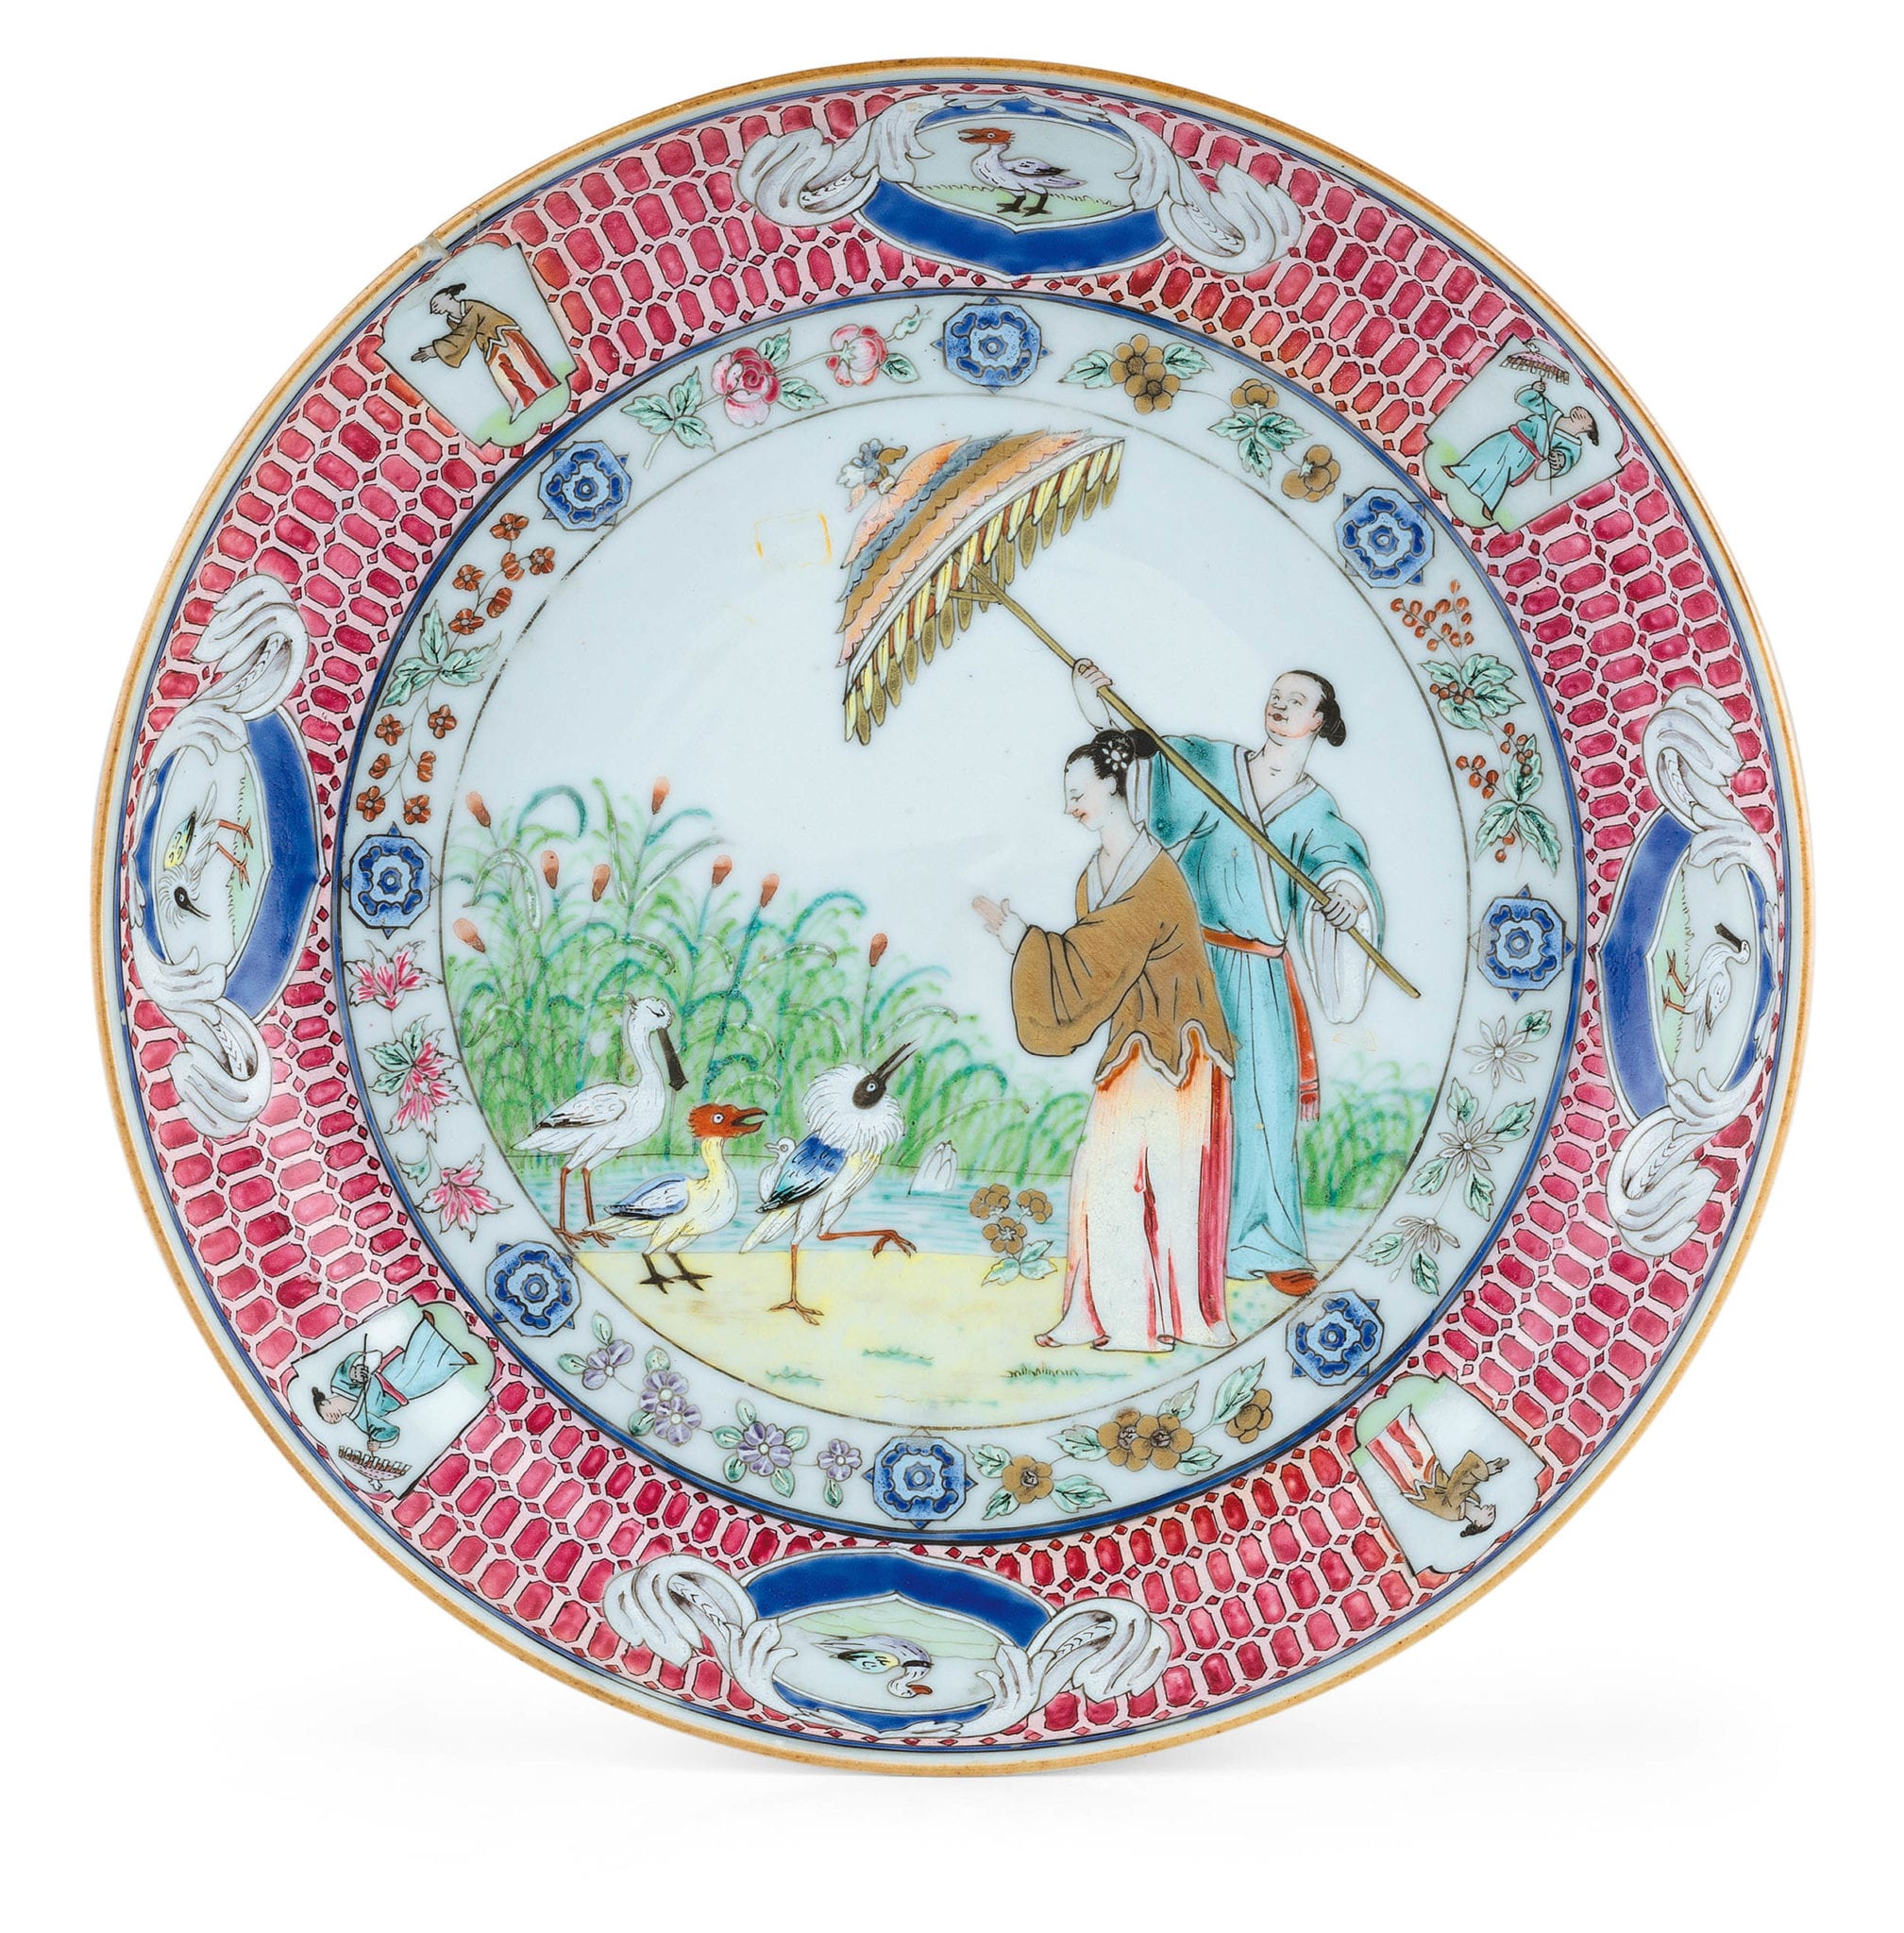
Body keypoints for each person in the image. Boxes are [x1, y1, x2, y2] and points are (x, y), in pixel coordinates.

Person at [1072, 664, 1382, 1293]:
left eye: (1296, 700)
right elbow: (1141, 758)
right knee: (1178, 1096)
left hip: (1261, 976)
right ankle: (1172, 1241)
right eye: (1276, 695)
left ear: (1319, 721)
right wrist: (1098, 706)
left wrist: (1344, 899)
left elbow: (1339, 864)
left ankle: (1265, 1244)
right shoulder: (1212, 766)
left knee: (1265, 1107)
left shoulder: (1315, 807)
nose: (1280, 705)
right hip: (1190, 962)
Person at [975, 729, 1237, 1353]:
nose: (1069, 805)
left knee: (1171, 1184)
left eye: (1078, 792)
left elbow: (1097, 954)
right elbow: (1092, 972)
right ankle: (1106, 1317)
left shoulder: (1156, 875)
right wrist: (1032, 945)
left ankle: (1168, 1322)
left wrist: (1019, 937)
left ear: (1113, 785)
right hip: (1133, 1045)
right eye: (1066, 794)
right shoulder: (1092, 877)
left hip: (1179, 1045)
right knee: (1104, 1173)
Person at [311, 1309, 475, 1446]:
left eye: (327, 1415)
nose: (332, 1420)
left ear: (324, 1403)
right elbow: (390, 1431)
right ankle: (458, 1360)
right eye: (331, 1421)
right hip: (400, 1393)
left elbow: (347, 1365)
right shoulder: (361, 1420)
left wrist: (355, 1371)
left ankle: (427, 1328)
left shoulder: (339, 1384)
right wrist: (378, 1442)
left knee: (412, 1358)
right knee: (429, 1379)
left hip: (386, 1375)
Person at [1447, 381, 1599, 520]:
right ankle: (1458, 471)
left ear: (1587, 429)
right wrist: (1534, 390)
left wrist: (1560, 460)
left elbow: (1568, 458)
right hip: (1512, 437)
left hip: (1527, 455)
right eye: (1582, 411)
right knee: (1485, 454)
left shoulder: (1574, 446)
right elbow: (1525, 400)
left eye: (1586, 417)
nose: (1581, 412)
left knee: (1502, 473)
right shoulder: (1552, 412)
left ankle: (1489, 504)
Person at [411, 282, 558, 418]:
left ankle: (543, 386)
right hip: (487, 344)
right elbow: (462, 338)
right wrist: (439, 350)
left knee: (525, 364)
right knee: (503, 374)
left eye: (436, 302)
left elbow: (466, 331)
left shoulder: (471, 307)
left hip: (502, 333)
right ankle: (522, 400)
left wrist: (436, 349)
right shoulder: (451, 320)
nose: (434, 307)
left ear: (449, 297)